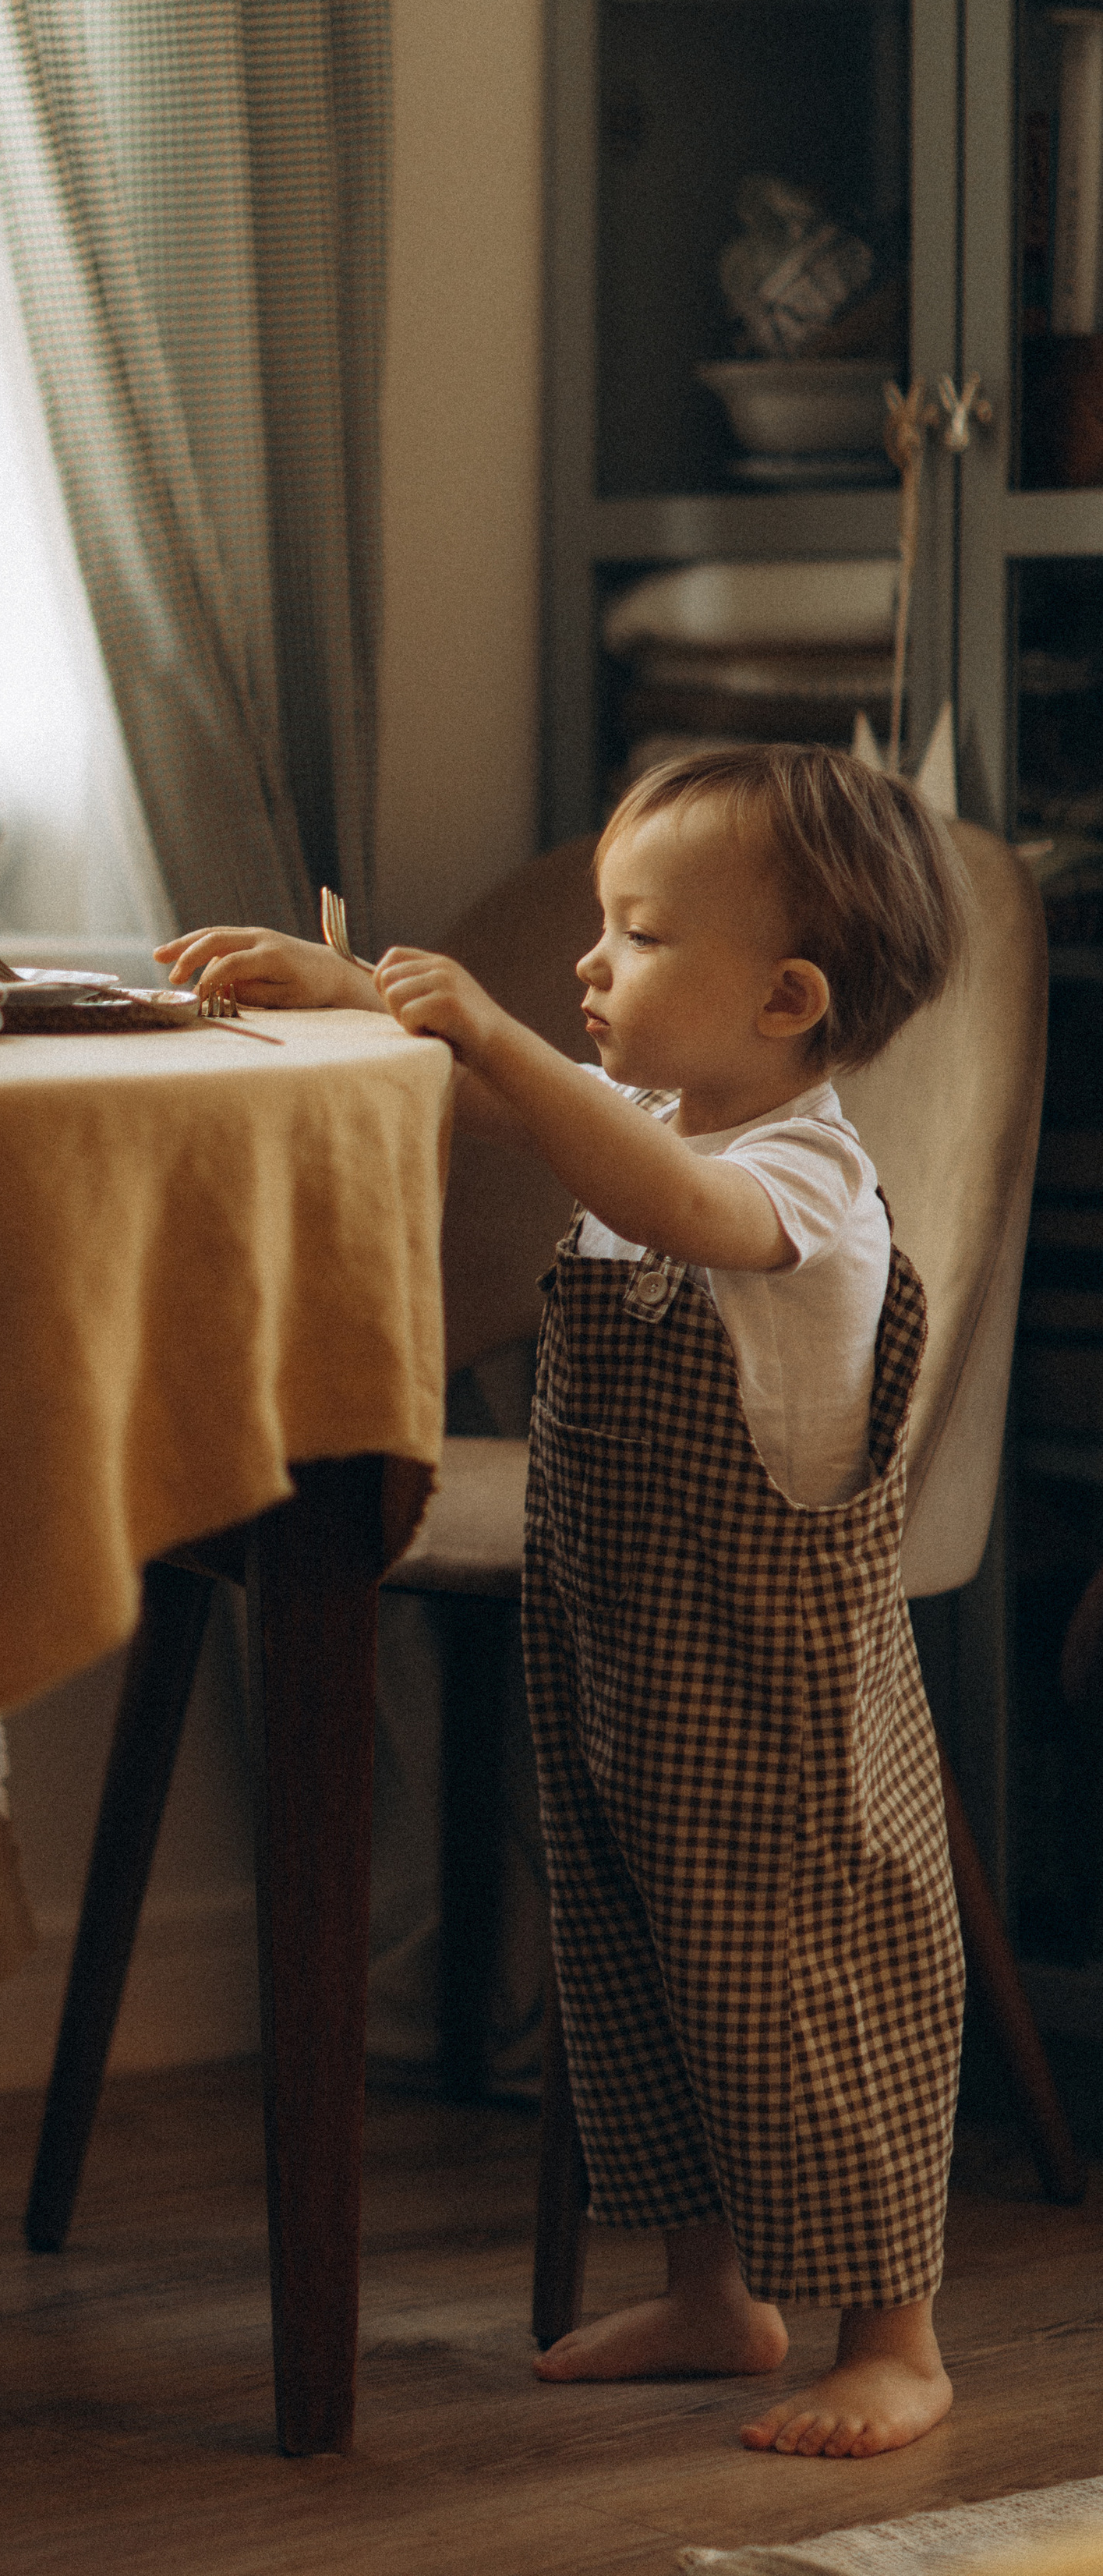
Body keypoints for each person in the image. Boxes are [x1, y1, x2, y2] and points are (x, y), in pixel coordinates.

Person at [157, 743, 969, 2461]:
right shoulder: (663, 1128)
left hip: (781, 1716)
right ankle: (710, 2292)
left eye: (636, 934)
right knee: (649, 1987)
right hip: (627, 1669)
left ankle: (893, 2339)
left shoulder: (799, 1182)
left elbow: (660, 1195)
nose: (588, 967)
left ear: (786, 999)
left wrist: (491, 1035)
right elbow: (513, 1115)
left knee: (810, 2012)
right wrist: (355, 1003)